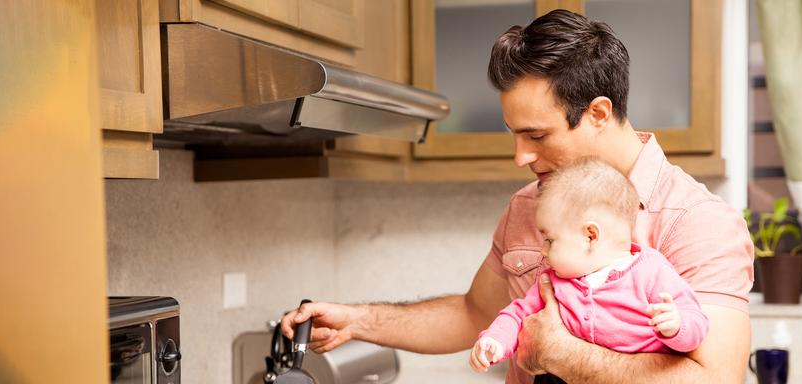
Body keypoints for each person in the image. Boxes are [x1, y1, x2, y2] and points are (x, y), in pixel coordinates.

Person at [281, 9, 754, 383]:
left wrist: (564, 355)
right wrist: (357, 321)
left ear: (597, 113)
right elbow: (475, 314)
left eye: (537, 135)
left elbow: (715, 378)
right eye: (514, 134)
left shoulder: (696, 223)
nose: (520, 157)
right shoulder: (530, 205)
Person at [469, 160, 709, 381]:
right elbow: (518, 314)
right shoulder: (553, 281)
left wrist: (676, 326)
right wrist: (496, 341)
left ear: (590, 236)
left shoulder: (652, 272)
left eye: (550, 240)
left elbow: (696, 323)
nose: (543, 251)